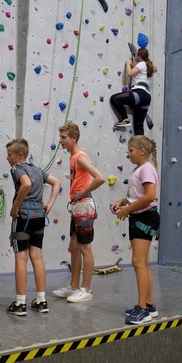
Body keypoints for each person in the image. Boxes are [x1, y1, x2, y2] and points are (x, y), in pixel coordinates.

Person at [5, 138, 61, 316]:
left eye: (10, 154)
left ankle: (21, 303)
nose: (7, 158)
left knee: (21, 258)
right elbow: (57, 182)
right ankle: (41, 300)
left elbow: (26, 184)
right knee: (37, 257)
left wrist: (15, 207)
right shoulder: (37, 170)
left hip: (24, 216)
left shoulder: (17, 168)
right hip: (39, 216)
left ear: (20, 155)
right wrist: (49, 204)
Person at [53, 122, 105, 303]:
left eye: (63, 138)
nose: (61, 141)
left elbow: (100, 178)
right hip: (77, 206)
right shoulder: (73, 157)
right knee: (74, 247)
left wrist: (82, 192)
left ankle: (86, 289)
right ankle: (74, 286)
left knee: (84, 248)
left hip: (84, 206)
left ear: (73, 138)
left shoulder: (80, 157)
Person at [111, 135, 160, 325]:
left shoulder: (147, 168)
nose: (128, 154)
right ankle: (149, 305)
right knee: (143, 264)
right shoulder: (139, 169)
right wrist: (122, 202)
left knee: (138, 262)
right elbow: (136, 195)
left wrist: (127, 210)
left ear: (142, 151)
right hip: (139, 216)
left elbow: (149, 196)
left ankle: (143, 310)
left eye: (131, 150)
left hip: (145, 217)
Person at [110, 48, 157, 135]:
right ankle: (141, 147)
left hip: (139, 93)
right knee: (139, 126)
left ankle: (125, 119)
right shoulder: (148, 66)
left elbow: (130, 73)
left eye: (136, 55)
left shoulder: (142, 64)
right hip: (146, 98)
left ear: (139, 56)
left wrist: (128, 63)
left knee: (115, 99)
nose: (134, 56)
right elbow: (155, 69)